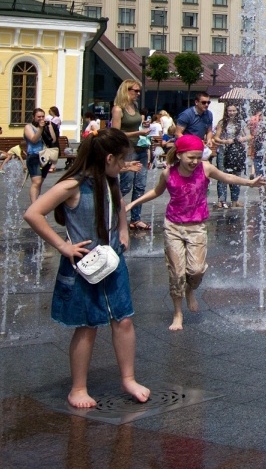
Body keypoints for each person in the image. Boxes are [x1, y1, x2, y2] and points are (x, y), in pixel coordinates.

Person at [23, 128, 151, 409]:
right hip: (83, 267)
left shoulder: (109, 180)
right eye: (121, 159)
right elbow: (33, 213)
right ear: (108, 158)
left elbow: (119, 205)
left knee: (124, 320)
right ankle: (78, 388)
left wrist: (123, 230)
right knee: (87, 327)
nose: (124, 164)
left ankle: (128, 379)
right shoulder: (73, 185)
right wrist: (63, 246)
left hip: (112, 262)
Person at [126, 134, 264, 330]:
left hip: (197, 227)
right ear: (179, 155)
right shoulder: (168, 173)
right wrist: (133, 204)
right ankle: (177, 313)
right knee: (176, 273)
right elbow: (156, 192)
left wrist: (249, 183)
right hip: (173, 226)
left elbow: (226, 177)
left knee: (196, 270)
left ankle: (190, 289)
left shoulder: (205, 168)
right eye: (191, 157)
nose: (195, 161)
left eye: (198, 157)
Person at [110, 80, 150, 231]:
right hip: (127, 150)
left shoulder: (134, 106)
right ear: (126, 90)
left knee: (140, 186)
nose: (138, 93)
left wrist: (143, 126)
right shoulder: (118, 109)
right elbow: (116, 133)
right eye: (136, 90)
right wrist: (138, 132)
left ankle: (136, 219)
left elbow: (134, 125)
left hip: (140, 148)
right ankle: (110, 212)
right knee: (126, 185)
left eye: (139, 91)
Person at [212, 105, 249, 209]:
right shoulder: (222, 123)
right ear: (226, 112)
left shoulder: (241, 123)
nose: (231, 113)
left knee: (236, 176)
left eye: (233, 111)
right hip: (224, 152)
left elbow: (250, 135)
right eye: (229, 111)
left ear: (237, 111)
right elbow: (216, 138)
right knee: (221, 175)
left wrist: (243, 139)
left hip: (236, 152)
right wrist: (225, 141)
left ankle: (234, 201)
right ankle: (222, 200)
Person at [23, 108, 54, 206]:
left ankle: (36, 203)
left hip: (45, 157)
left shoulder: (45, 126)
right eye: (38, 117)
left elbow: (53, 140)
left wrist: (50, 127)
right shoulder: (28, 127)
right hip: (34, 156)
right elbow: (33, 140)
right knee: (36, 182)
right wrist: (40, 129)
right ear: (33, 117)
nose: (41, 118)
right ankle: (34, 205)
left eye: (43, 116)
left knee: (40, 182)